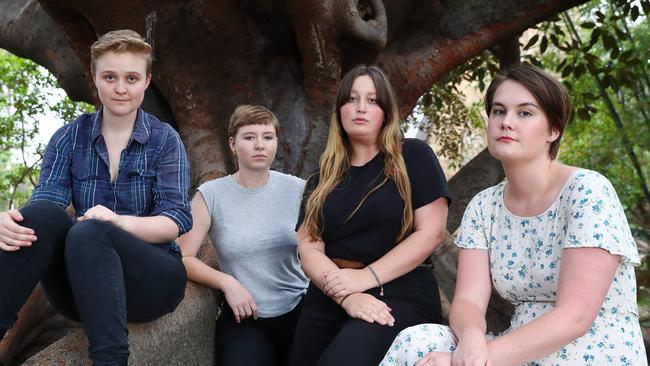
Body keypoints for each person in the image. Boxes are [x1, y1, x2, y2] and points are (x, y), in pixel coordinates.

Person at [380, 63, 647, 366]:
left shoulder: (587, 192)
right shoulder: (484, 206)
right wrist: (470, 343)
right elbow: (468, 300)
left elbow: (575, 318)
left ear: (554, 129)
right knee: (418, 343)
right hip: (514, 348)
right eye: (498, 111)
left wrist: (468, 362)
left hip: (591, 351)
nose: (507, 122)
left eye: (525, 113)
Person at [0, 30, 192, 365]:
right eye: (110, 77)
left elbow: (174, 221)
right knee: (42, 216)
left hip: (152, 279)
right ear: (94, 78)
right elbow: (47, 203)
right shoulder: (69, 137)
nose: (120, 88)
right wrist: (14, 222)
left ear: (147, 81)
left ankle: (110, 359)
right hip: (82, 282)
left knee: (91, 229)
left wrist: (117, 222)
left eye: (131, 78)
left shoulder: (165, 140)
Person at [288, 65, 450, 366]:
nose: (361, 107)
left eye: (372, 100)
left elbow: (431, 233)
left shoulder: (413, 156)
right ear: (339, 111)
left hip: (400, 292)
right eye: (351, 99)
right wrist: (346, 296)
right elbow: (309, 246)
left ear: (385, 112)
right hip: (331, 292)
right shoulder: (320, 180)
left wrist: (364, 279)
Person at [177, 105, 308, 366]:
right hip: (245, 318)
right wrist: (228, 283)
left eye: (268, 137)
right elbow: (183, 256)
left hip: (300, 311)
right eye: (249, 137)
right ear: (232, 144)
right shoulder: (210, 194)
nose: (260, 145)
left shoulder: (298, 189)